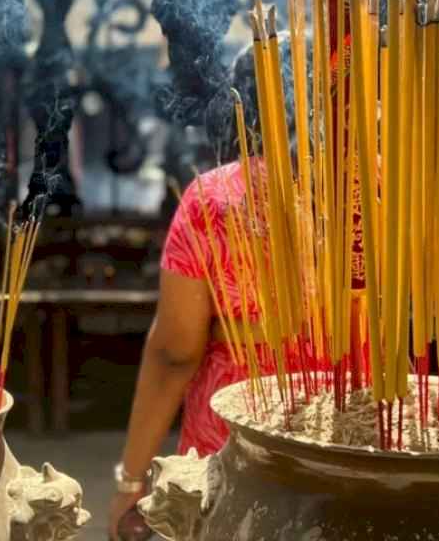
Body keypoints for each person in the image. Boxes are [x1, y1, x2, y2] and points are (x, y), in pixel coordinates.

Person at [107, 39, 307, 539]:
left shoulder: (214, 199)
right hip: (361, 448)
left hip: (235, 455)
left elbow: (176, 351)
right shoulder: (381, 188)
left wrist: (132, 480)